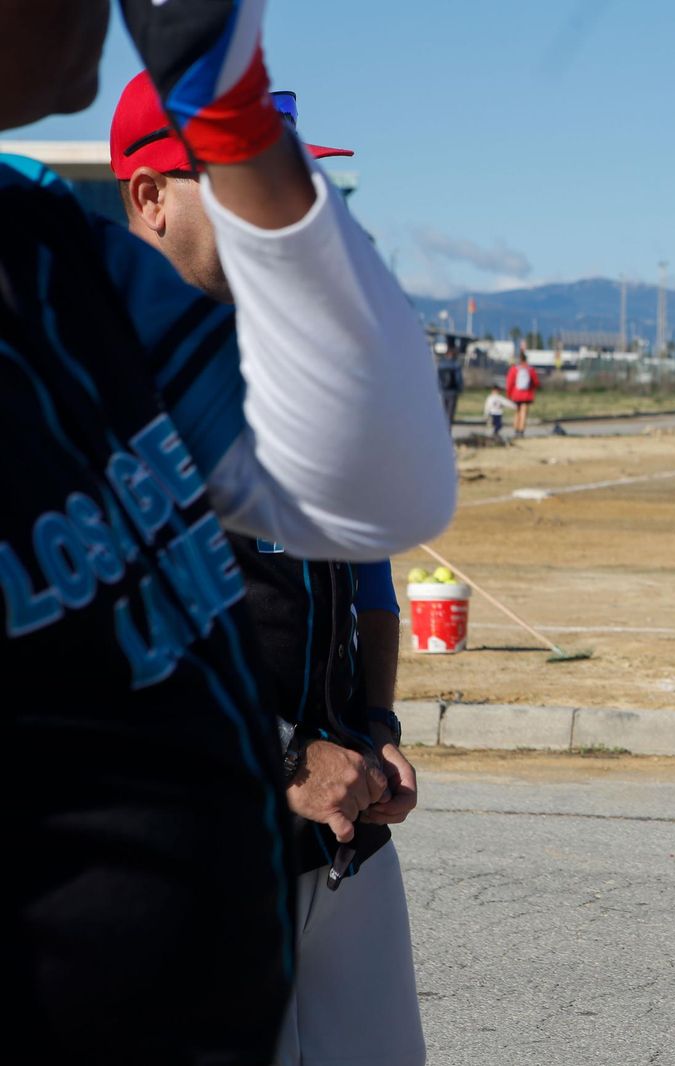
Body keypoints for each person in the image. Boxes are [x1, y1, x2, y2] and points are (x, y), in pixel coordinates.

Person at [4, 2, 456, 1062]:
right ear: (151, 195)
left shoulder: (55, 255)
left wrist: (230, 104)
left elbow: (382, 493)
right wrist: (284, 758)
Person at [112, 72, 427, 1065]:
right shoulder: (92, 379)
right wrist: (289, 759)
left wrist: (372, 725)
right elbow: (90, 651)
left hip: (342, 831)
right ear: (150, 198)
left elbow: (366, 571)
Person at [506, 349, 540, 436]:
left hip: (516, 394)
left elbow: (509, 382)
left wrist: (509, 394)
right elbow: (536, 382)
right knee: (524, 412)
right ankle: (521, 430)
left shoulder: (514, 369)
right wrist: (533, 389)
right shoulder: (530, 369)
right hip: (527, 394)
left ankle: (516, 429)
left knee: (517, 412)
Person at [437, 344, 465, 424]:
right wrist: (460, 388)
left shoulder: (441, 364)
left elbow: (438, 377)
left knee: (444, 410)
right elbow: (458, 378)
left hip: (443, 390)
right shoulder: (455, 364)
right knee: (450, 411)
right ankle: (448, 428)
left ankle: (443, 425)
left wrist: (439, 388)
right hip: (453, 390)